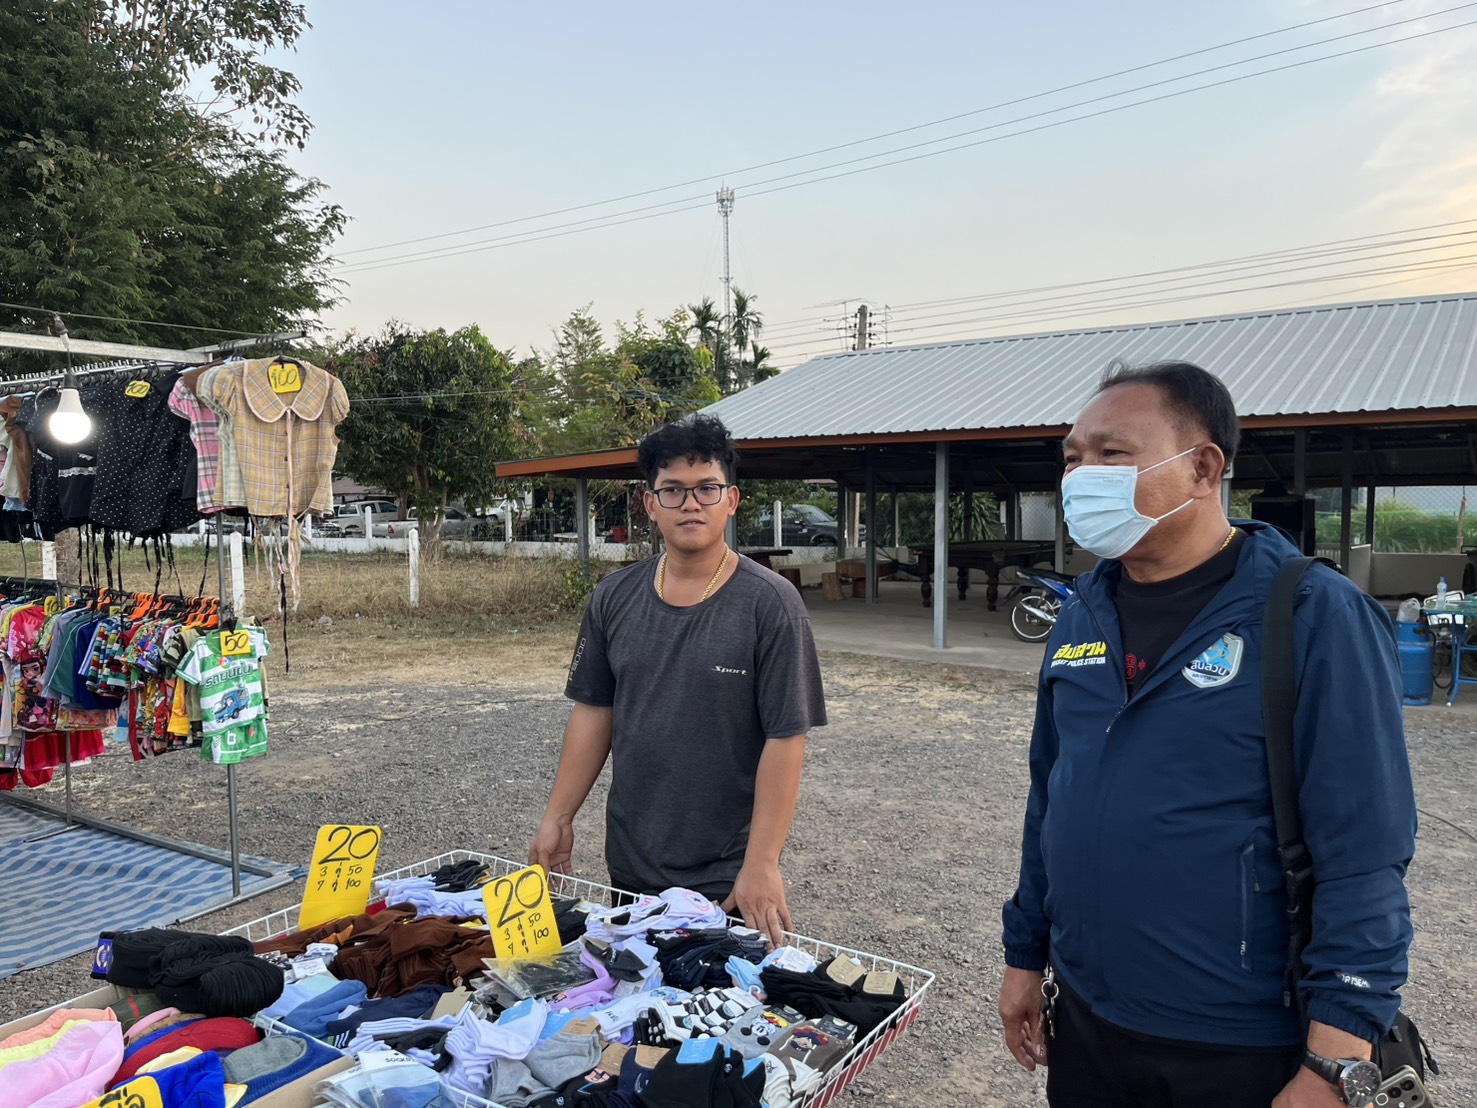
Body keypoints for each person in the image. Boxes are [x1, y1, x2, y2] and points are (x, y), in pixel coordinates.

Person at [997, 361, 1416, 1107]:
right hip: (1088, 1018)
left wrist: (1335, 1057)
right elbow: (1049, 798)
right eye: (1073, 458)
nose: (1082, 477)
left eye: (1112, 454)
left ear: (1203, 468)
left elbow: (1365, 851)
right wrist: (1025, 954)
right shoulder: (1081, 613)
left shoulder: (1310, 615)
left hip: (1235, 1040)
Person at [530, 414, 826, 946]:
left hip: (726, 871)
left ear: (731, 501)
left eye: (707, 488)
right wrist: (559, 816)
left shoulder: (771, 605)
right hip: (631, 859)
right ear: (650, 504)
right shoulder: (614, 597)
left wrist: (762, 862)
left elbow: (786, 738)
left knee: (715, 992)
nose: (691, 504)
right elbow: (595, 710)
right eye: (672, 490)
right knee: (637, 990)